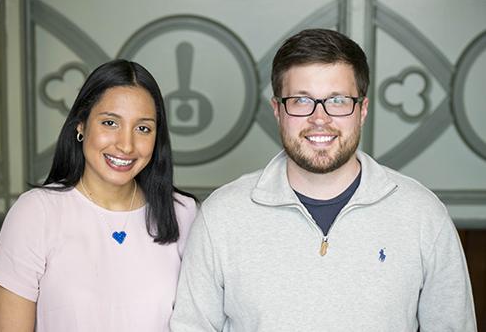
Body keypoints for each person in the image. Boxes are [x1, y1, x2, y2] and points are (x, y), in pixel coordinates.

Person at [170, 29, 476, 331]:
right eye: (302, 101)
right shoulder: (222, 215)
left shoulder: (422, 214)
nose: (320, 118)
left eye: (338, 100)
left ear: (362, 110)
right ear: (277, 110)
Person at [0, 59, 198, 331]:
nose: (126, 145)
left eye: (143, 128)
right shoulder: (36, 213)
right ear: (81, 125)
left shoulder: (183, 213)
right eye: (110, 123)